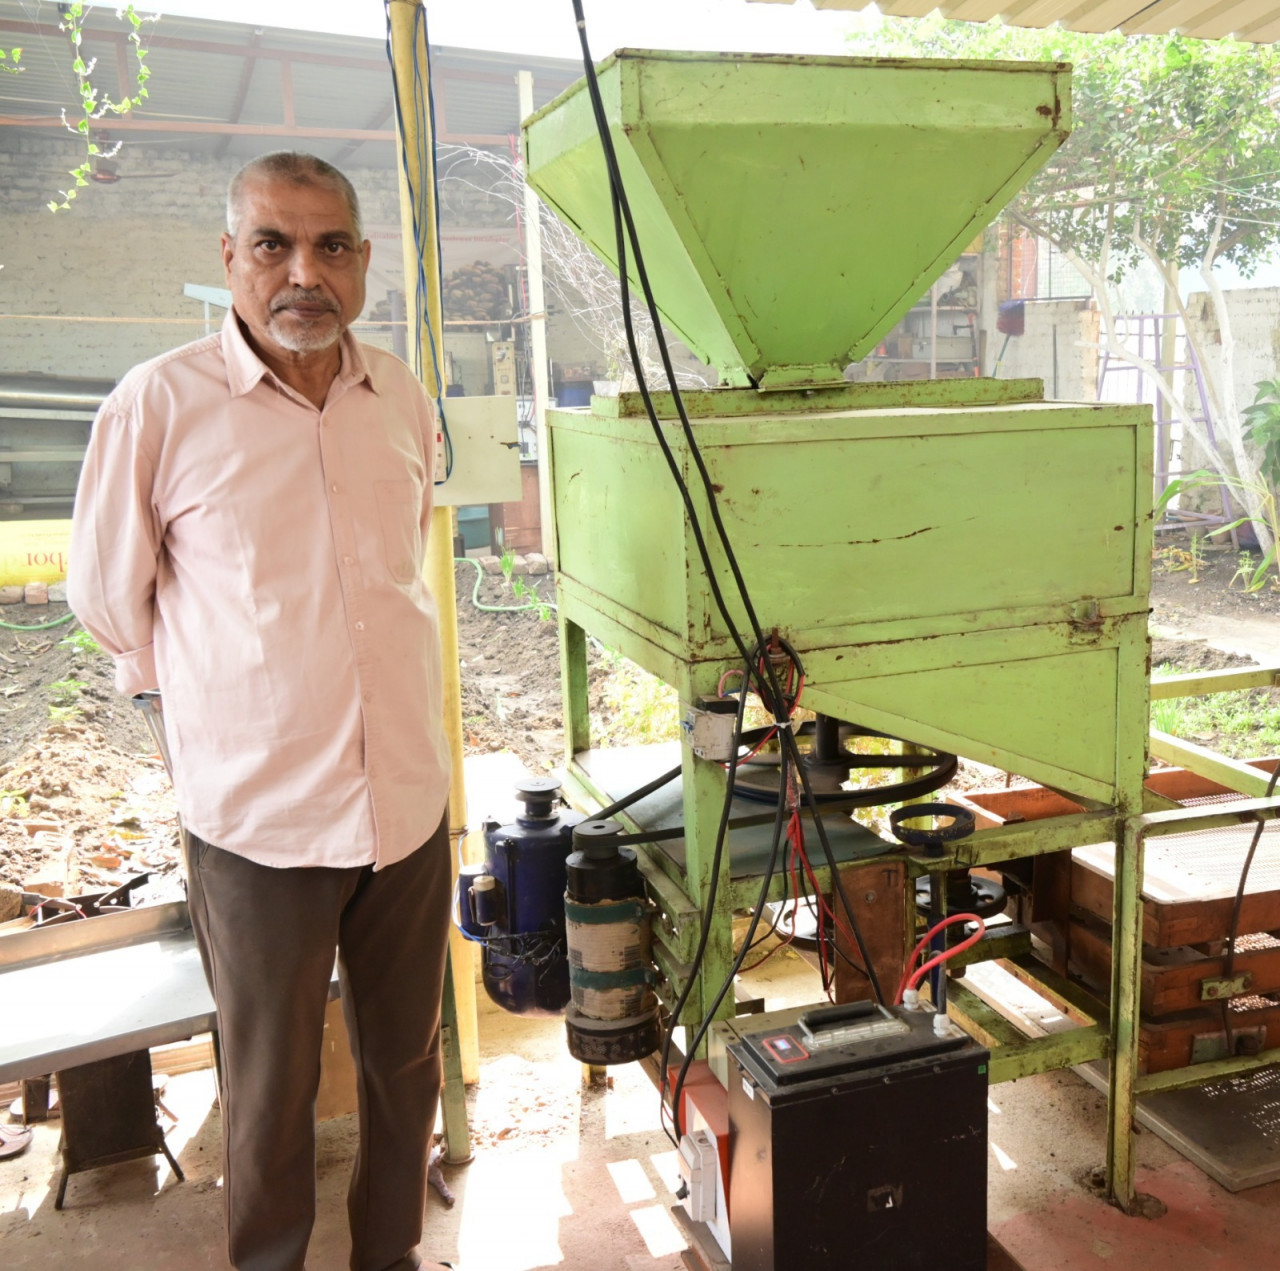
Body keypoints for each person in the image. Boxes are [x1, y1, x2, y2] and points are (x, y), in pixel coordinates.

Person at [68, 151, 455, 1271]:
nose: (303, 274)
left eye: (330, 246)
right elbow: (109, 597)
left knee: (407, 1065)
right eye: (274, 245)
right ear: (230, 257)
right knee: (270, 1085)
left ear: (363, 261)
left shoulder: (399, 396)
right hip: (258, 824)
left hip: (404, 806)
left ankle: (390, 1253)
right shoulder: (161, 403)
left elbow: (397, 566)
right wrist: (198, 710)